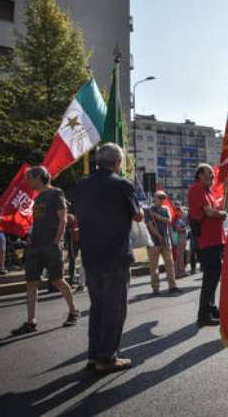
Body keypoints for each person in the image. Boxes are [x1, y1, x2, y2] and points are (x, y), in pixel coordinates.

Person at [74, 143, 142, 373]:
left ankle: (94, 355)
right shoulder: (122, 184)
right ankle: (108, 357)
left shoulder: (82, 185)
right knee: (114, 308)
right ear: (117, 163)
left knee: (98, 307)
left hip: (91, 254)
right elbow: (138, 215)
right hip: (115, 255)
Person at [11, 166, 79, 336]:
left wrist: (56, 241)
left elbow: (63, 220)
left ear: (39, 178)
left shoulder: (56, 193)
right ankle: (31, 321)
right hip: (35, 246)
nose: (27, 181)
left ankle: (73, 311)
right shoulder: (38, 197)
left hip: (50, 246)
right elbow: (38, 220)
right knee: (31, 282)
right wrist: (30, 237)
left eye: (29, 178)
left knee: (57, 280)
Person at [188, 163, 227, 327]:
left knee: (214, 276)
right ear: (200, 175)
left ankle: (210, 308)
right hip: (207, 240)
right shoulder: (197, 189)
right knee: (210, 277)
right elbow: (209, 212)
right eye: (209, 174)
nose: (212, 177)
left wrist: (221, 211)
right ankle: (203, 314)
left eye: (212, 174)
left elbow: (215, 208)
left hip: (215, 240)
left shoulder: (207, 191)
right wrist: (223, 214)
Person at [145, 191, 178, 295]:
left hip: (166, 241)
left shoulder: (165, 209)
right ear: (154, 198)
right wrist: (159, 236)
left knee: (170, 264)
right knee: (154, 266)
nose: (162, 199)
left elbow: (168, 220)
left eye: (163, 197)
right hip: (153, 242)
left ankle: (172, 286)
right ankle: (155, 288)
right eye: (160, 197)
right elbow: (150, 225)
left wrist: (156, 216)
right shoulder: (148, 210)